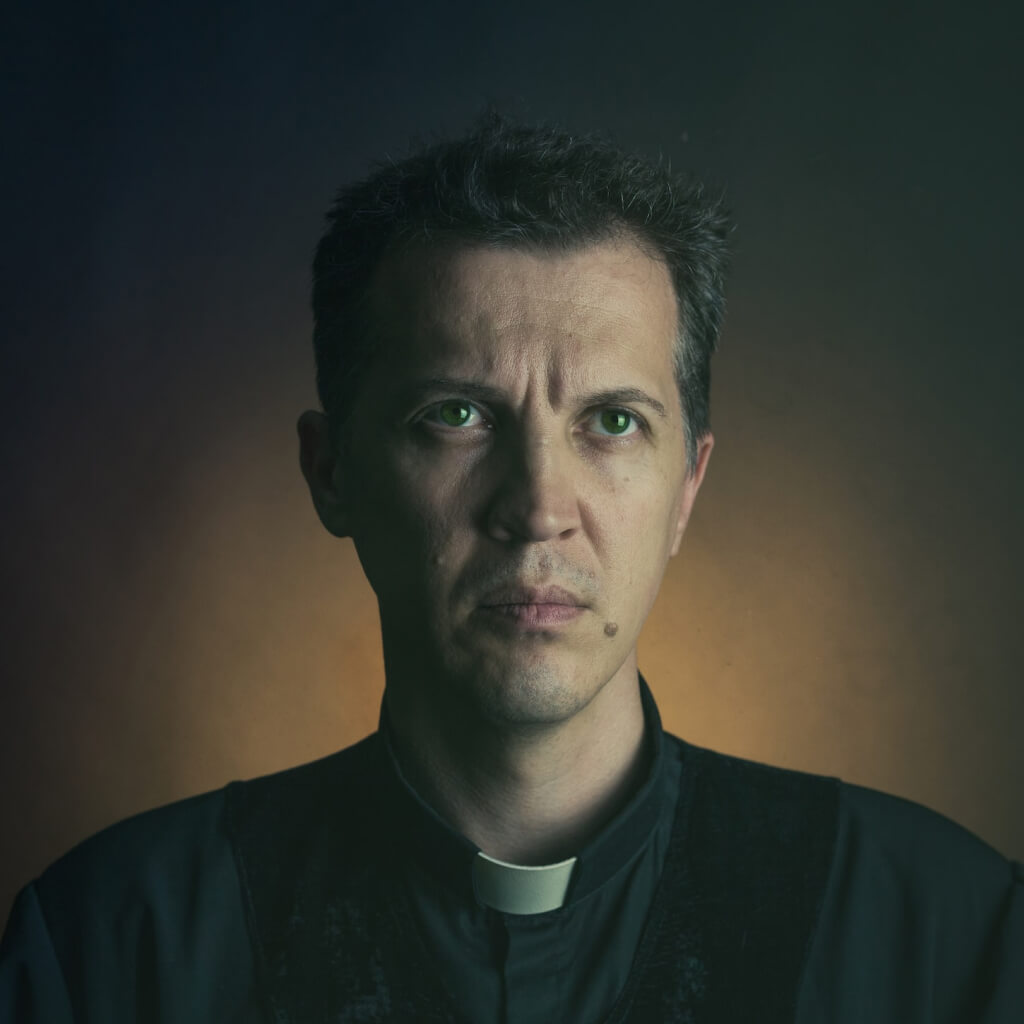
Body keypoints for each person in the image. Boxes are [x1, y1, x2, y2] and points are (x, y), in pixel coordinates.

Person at [0, 113, 1020, 1024]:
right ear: (332, 472)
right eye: (456, 415)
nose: (536, 508)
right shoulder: (105, 949)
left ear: (687, 488)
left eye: (611, 422)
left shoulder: (954, 941)